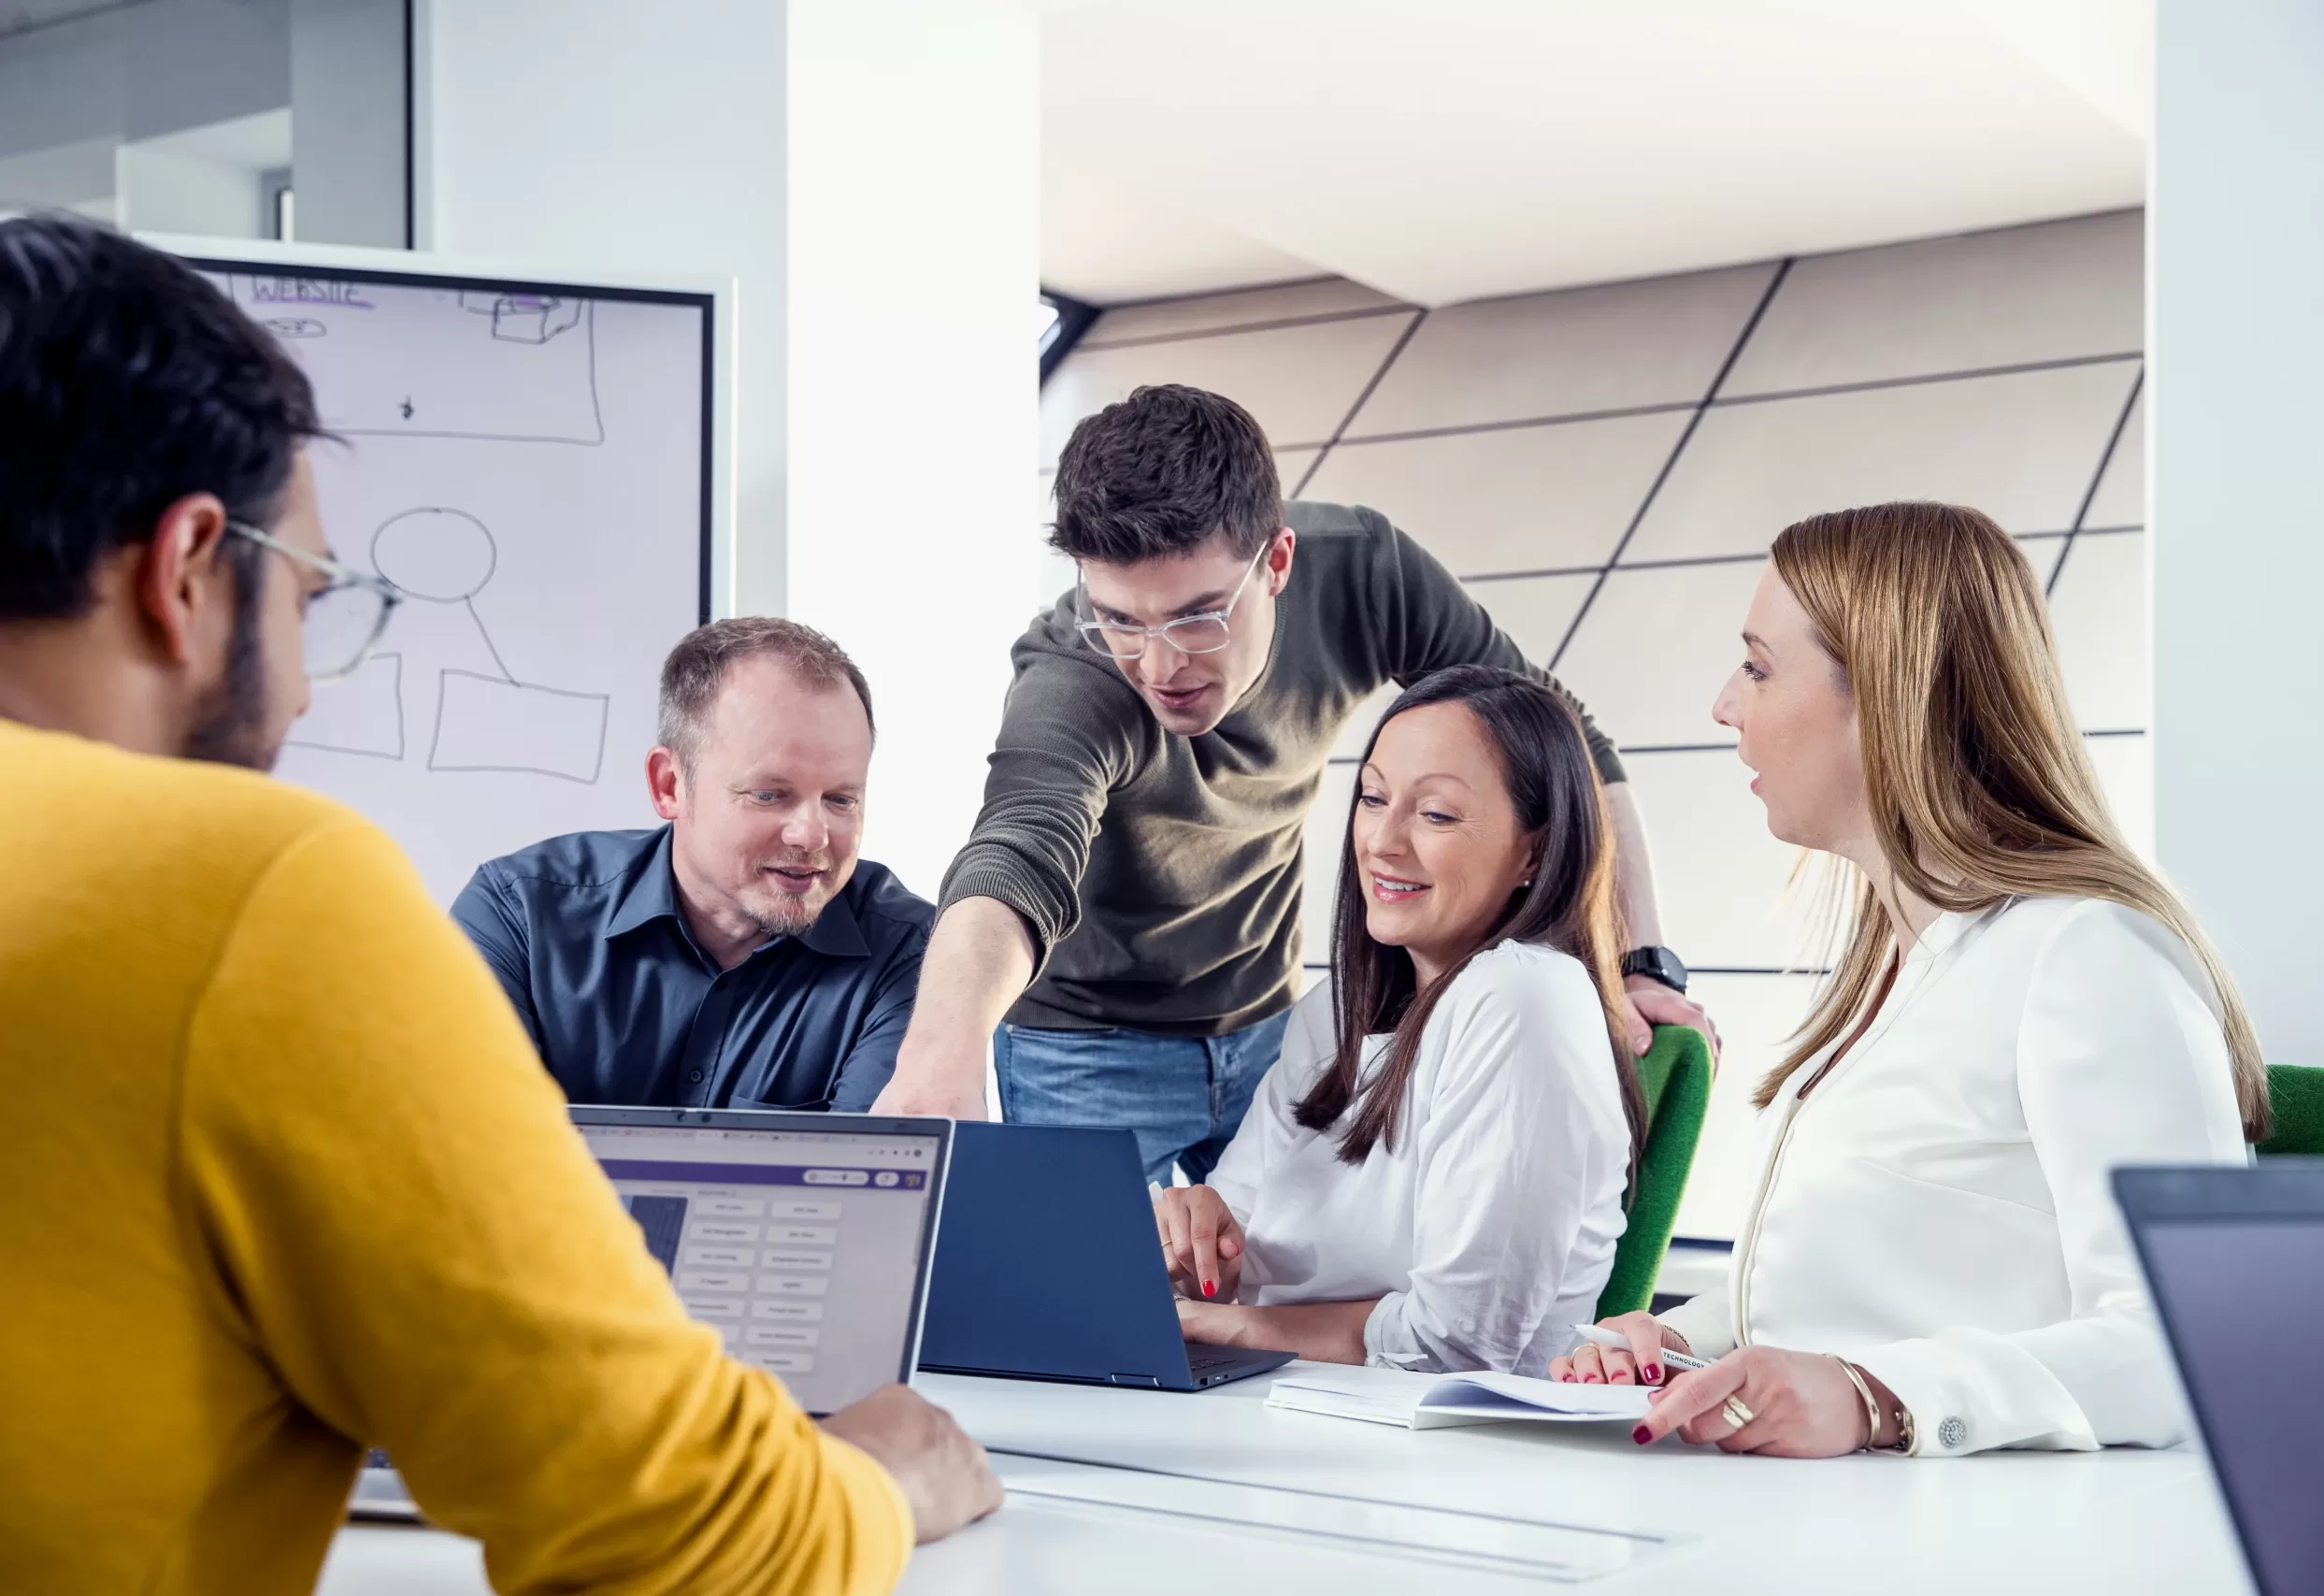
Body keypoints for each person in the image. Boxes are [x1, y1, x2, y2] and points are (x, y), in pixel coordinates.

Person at [0, 214, 997, 1596]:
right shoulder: (253, 889)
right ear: (184, 571)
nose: (298, 684)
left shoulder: (892, 934)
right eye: (309, 595)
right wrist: (887, 1471)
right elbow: (680, 1533)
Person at [1553, 501, 2264, 1459]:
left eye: (1759, 667)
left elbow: (2188, 1346)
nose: (1725, 703)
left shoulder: (2086, 955)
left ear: (1886, 696)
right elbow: (1837, 1289)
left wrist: (1873, 1396)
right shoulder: (1893, 967)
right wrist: (1679, 1345)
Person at [875, 383, 1713, 1184]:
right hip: (1087, 1051)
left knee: (1282, 1304)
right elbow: (1014, 853)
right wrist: (938, 1062)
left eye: (1199, 616)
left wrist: (1639, 959)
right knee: (1080, 1316)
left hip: (1274, 1025)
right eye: (1121, 619)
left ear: (1277, 560)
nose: (1159, 666)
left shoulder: (1364, 573)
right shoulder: (1073, 673)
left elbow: (1563, 736)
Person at [1155, 666, 1645, 1373]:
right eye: (1374, 797)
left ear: (1534, 851)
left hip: (1442, 1454)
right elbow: (1233, 1250)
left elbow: (1458, 1342)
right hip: (1282, 1419)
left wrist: (1230, 1327)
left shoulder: (1525, 997)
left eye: (1436, 813)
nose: (1383, 840)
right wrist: (1194, 1239)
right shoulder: (1335, 1014)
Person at [452, 617, 932, 1111]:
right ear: (669, 785)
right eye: (768, 794)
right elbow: (464, 1155)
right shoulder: (518, 917)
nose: (811, 834)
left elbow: (867, 1183)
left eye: (841, 800)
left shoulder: (914, 958)